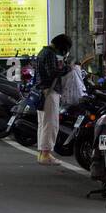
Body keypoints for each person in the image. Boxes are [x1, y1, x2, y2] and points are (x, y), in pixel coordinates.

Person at [34, 34, 72, 166]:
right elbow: (54, 73)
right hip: (50, 92)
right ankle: (46, 154)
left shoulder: (42, 52)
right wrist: (68, 68)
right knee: (51, 124)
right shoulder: (50, 54)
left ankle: (42, 153)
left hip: (42, 91)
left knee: (43, 124)